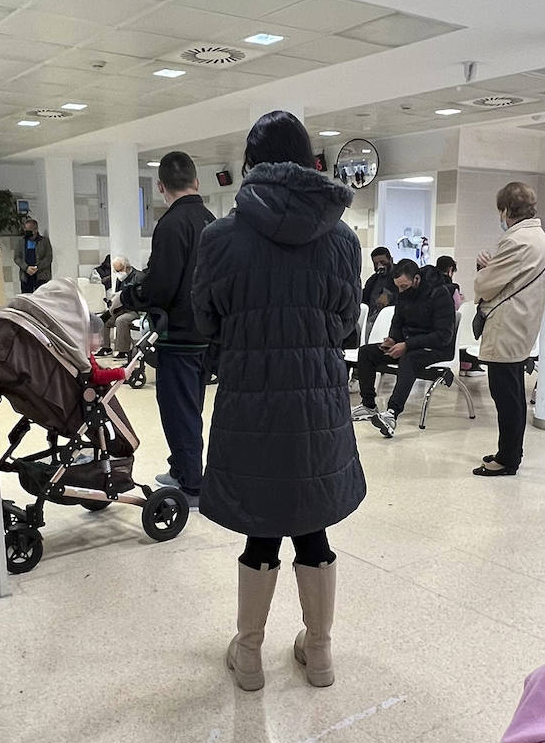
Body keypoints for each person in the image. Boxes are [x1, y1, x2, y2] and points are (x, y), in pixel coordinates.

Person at [193, 110, 366, 692]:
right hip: (319, 401)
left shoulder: (219, 237)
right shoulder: (342, 237)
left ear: (250, 162)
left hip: (250, 399)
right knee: (313, 523)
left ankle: (248, 656)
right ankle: (319, 654)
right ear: (309, 159)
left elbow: (206, 318)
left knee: (260, 526)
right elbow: (346, 323)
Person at [118, 151, 215, 504]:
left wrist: (128, 298)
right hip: (205, 335)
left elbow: (161, 286)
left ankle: (191, 484)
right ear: (196, 181)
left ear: (160, 186)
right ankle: (179, 468)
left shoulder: (171, 224)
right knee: (192, 407)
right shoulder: (211, 220)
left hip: (177, 336)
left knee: (178, 412)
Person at [470, 183, 545, 477]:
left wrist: (484, 268)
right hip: (522, 322)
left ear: (506, 210)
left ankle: (507, 458)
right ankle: (510, 451)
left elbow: (487, 284)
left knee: (506, 395)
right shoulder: (539, 237)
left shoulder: (516, 241)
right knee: (513, 391)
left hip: (507, 324)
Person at [351, 260, 455, 438]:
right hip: (409, 344)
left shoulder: (439, 293)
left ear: (416, 279)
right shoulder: (404, 292)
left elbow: (444, 336)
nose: (400, 291)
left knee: (409, 359)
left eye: (404, 286)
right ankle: (368, 405)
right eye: (397, 286)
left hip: (436, 348)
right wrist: (393, 339)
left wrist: (407, 345)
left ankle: (392, 413)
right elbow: (398, 321)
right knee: (367, 352)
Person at [99, 257, 139, 358]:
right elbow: (118, 295)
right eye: (116, 271)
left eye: (119, 270)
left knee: (121, 320)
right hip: (122, 308)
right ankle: (105, 347)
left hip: (136, 310)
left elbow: (138, 297)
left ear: (127, 267)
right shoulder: (120, 278)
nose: (118, 273)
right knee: (103, 319)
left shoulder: (138, 277)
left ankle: (123, 350)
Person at [13, 217, 53, 294]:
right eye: (25, 229)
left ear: (35, 230)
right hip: (26, 275)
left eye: (28, 229)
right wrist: (26, 268)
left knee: (42, 298)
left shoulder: (44, 241)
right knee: (27, 298)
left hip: (41, 275)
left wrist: (37, 267)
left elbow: (48, 257)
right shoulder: (21, 241)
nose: (26, 231)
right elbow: (17, 257)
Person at [362, 246, 398, 311]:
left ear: (391, 260)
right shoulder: (373, 279)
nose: (379, 266)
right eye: (376, 263)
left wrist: (391, 297)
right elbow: (364, 296)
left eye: (383, 262)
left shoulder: (400, 275)